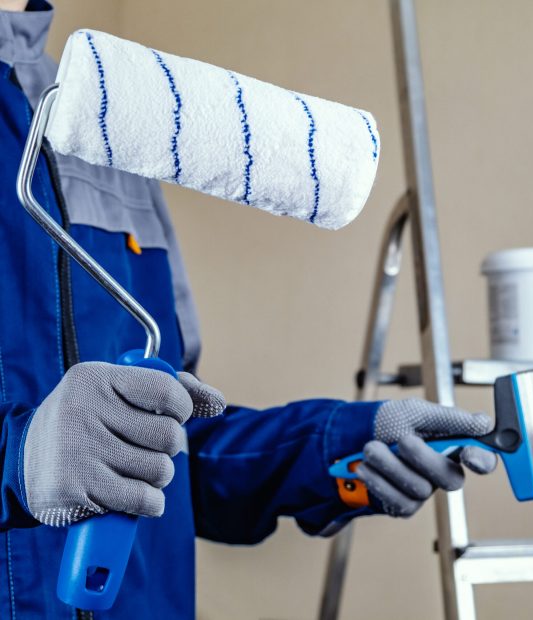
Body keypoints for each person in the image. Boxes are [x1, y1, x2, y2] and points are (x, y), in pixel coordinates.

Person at [0, 1, 497, 617]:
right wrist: (19, 462)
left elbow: (178, 458)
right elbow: (48, 457)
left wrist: (337, 446)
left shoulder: (100, 117)